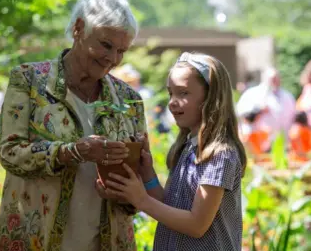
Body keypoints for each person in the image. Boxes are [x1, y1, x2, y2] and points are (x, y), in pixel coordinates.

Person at [0, 0, 147, 251]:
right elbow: (9, 152)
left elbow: (138, 179)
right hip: (34, 239)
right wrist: (71, 152)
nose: (113, 59)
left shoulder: (129, 100)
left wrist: (131, 189)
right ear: (78, 28)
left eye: (122, 50)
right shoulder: (29, 81)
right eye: (106, 45)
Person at [104, 52, 247, 250]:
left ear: (210, 96)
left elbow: (197, 225)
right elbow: (169, 208)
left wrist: (142, 200)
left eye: (183, 93)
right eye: (171, 93)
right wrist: (148, 173)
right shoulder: (186, 148)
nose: (172, 102)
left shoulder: (219, 155)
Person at [236, 67, 296, 146]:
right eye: (272, 78)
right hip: (257, 139)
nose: (274, 81)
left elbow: (292, 116)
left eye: (276, 78)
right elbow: (241, 113)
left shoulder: (287, 96)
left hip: (281, 139)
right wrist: (259, 111)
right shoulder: (252, 93)